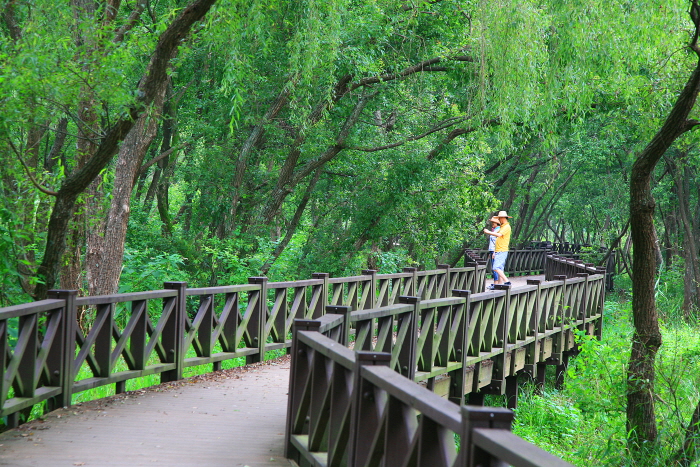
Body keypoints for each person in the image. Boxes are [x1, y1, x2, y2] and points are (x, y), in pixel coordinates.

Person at [483, 210, 512, 289]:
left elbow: (498, 234)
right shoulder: (503, 226)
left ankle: (507, 281)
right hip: (498, 250)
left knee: (496, 268)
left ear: (503, 218)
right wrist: (494, 252)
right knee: (500, 269)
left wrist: (488, 232)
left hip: (502, 250)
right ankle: (498, 285)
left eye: (499, 218)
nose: (498, 220)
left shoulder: (506, 227)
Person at [485, 216, 501, 283]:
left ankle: (496, 284)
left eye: (493, 223)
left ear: (496, 223)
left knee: (495, 268)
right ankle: (498, 283)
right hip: (492, 250)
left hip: (495, 251)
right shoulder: (494, 230)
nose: (492, 224)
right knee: (495, 268)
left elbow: (498, 242)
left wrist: (494, 252)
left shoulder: (498, 230)